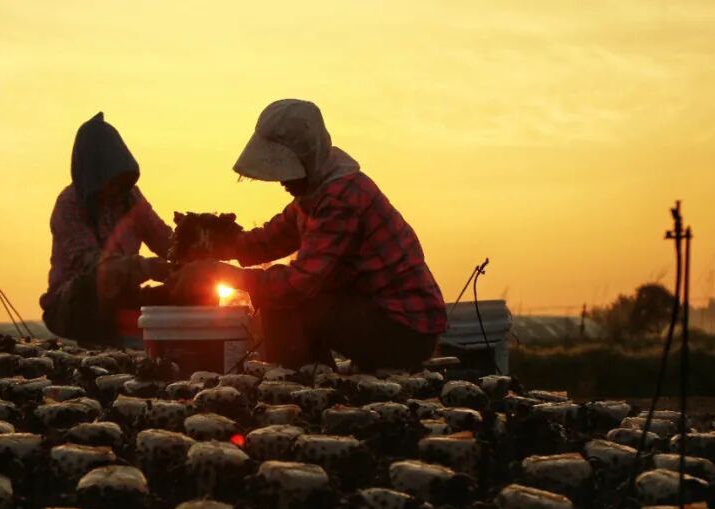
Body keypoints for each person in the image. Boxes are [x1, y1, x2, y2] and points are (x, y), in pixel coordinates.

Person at [169, 99, 447, 371]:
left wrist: (220, 273)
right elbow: (269, 240)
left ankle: (303, 387)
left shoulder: (340, 199)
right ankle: (314, 379)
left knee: (283, 300)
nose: (283, 181)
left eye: (287, 172)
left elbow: (296, 286)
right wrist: (211, 246)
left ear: (305, 158)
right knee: (280, 293)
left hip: (404, 329)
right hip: (380, 316)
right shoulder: (313, 197)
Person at [40, 112, 171, 345]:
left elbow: (164, 239)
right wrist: (146, 267)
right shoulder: (69, 204)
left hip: (125, 297)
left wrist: (196, 248)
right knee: (89, 288)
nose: (115, 188)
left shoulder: (131, 198)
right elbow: (90, 263)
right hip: (72, 304)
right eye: (110, 178)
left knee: (193, 290)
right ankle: (97, 354)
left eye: (120, 179)